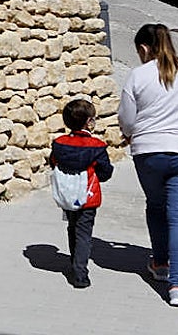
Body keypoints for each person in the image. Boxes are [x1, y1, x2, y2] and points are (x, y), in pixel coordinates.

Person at [118, 23, 178, 308]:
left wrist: (130, 133)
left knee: (157, 207)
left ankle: (159, 264)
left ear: (144, 49)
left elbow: (127, 120)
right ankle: (177, 286)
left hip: (150, 153)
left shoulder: (137, 75)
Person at [50, 97, 114, 289]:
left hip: (66, 194)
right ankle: (80, 274)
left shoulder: (59, 143)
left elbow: (53, 162)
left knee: (72, 227)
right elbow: (105, 171)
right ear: (88, 122)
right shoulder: (97, 146)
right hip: (88, 196)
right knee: (84, 233)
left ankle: (73, 262)